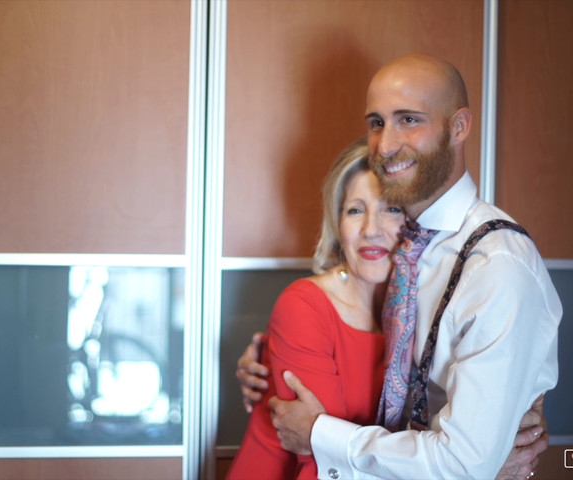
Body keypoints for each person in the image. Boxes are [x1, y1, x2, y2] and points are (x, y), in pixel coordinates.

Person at [237, 53, 561, 479]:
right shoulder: (414, 252)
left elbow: (462, 462)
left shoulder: (495, 266)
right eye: (376, 122)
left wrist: (320, 434)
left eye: (409, 119)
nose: (386, 145)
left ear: (459, 126)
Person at [228, 138, 404, 478]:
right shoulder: (304, 306)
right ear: (338, 226)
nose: (371, 229)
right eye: (355, 210)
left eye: (391, 208)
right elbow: (319, 460)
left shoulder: (423, 314)